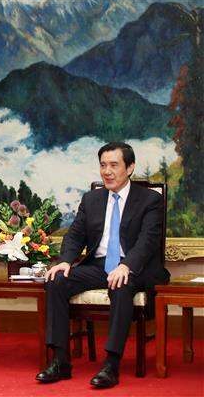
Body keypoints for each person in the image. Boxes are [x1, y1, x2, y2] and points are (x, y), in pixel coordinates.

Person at [36, 142, 169, 388]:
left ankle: (111, 365)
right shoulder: (91, 199)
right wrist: (65, 261)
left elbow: (148, 241)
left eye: (114, 165)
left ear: (130, 168)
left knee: (121, 283)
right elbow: (75, 235)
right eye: (103, 165)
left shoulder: (150, 200)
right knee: (56, 280)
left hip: (135, 267)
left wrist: (127, 265)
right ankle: (60, 361)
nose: (107, 171)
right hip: (99, 266)